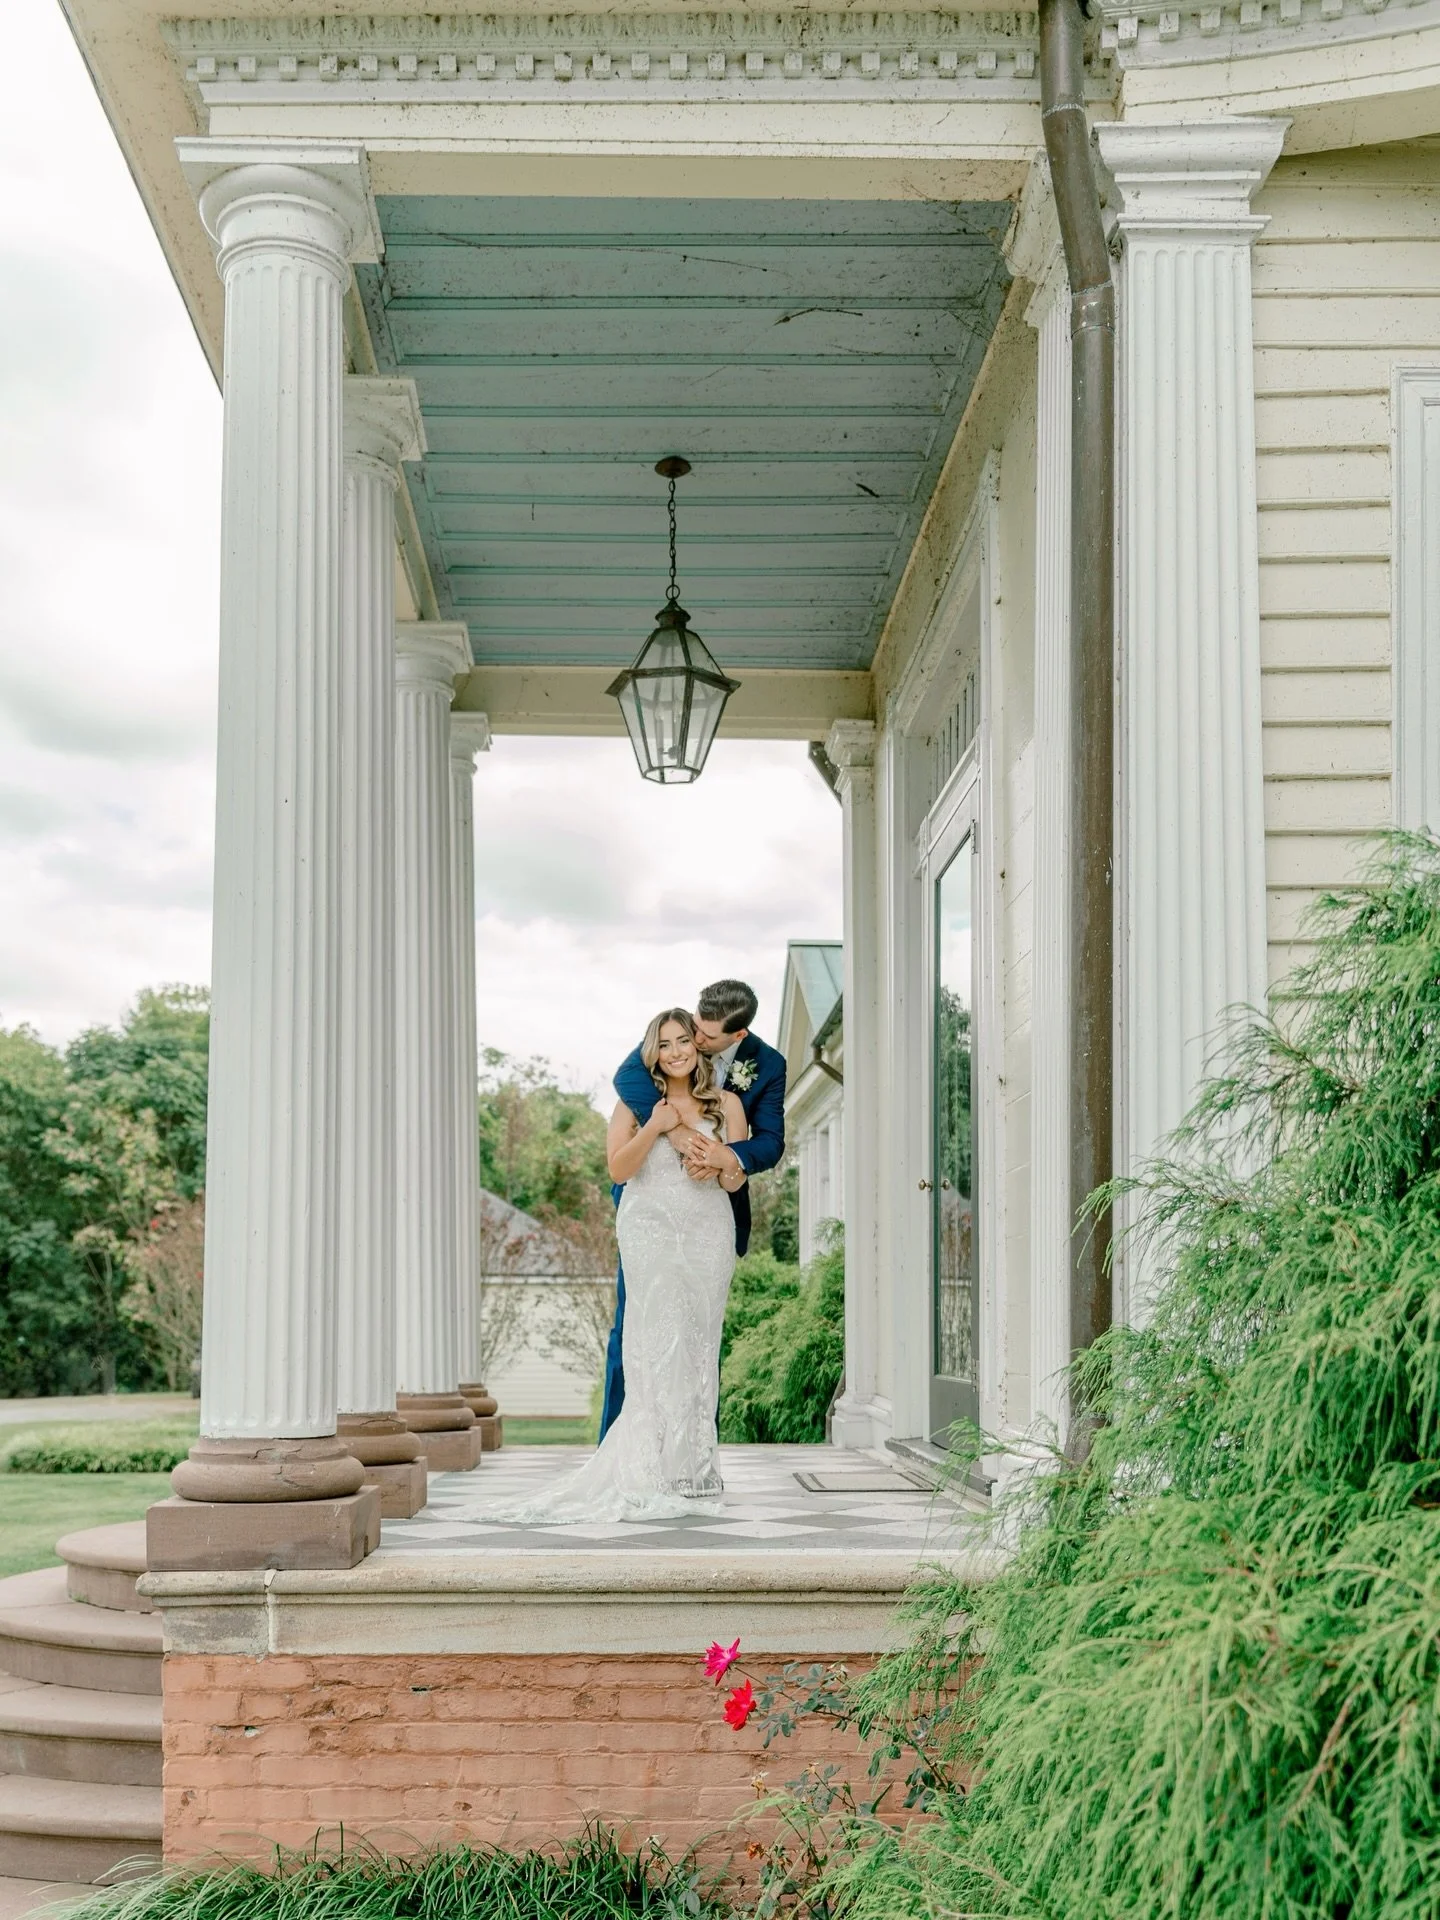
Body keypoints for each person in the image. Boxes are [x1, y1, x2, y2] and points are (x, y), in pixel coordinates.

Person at [462, 1008, 747, 1523]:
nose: (677, 1051)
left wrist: (724, 1163)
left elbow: (736, 1180)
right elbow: (618, 1168)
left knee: (700, 1343)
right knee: (652, 1342)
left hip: (708, 1230)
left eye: (684, 1040)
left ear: (697, 1048)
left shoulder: (726, 1103)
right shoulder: (634, 1103)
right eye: (666, 1044)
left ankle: (693, 1471)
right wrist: (657, 1126)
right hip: (650, 1230)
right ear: (652, 1052)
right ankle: (646, 1471)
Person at [600, 979, 787, 1438]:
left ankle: (694, 1448)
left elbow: (770, 1142)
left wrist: (728, 1157)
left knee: (700, 1335)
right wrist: (677, 1134)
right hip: (651, 1214)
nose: (693, 1043)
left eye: (702, 1037)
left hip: (709, 1215)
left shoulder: (765, 1068)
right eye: (689, 1032)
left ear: (736, 1036)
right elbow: (627, 1077)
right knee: (635, 1331)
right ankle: (619, 1444)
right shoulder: (673, 1034)